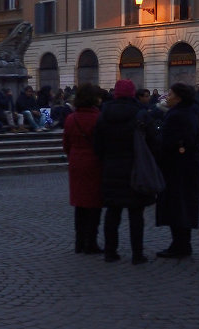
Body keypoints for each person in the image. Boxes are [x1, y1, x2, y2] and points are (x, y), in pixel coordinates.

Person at [94, 78, 155, 264]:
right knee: (136, 214)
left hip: (111, 168)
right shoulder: (140, 114)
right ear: (132, 94)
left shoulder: (104, 115)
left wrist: (106, 160)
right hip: (135, 169)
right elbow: (152, 142)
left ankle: (110, 252)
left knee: (112, 213)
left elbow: (97, 145)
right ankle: (137, 254)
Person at [155, 82, 199, 259]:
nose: (168, 96)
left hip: (176, 166)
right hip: (188, 164)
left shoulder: (177, 115)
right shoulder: (191, 111)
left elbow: (170, 142)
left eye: (171, 94)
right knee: (183, 204)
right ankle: (181, 243)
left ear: (179, 97)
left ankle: (180, 245)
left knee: (177, 204)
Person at [62, 83, 102, 255]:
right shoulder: (98, 118)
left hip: (76, 162)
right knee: (94, 204)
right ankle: (91, 242)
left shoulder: (71, 118)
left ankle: (79, 241)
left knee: (80, 204)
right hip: (94, 162)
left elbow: (66, 144)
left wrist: (74, 154)